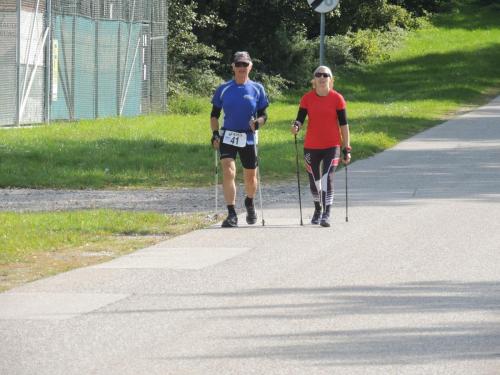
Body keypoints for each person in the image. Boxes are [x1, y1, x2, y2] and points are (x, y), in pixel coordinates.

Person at [210, 51, 269, 228]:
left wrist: (258, 122)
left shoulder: (257, 89)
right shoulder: (224, 88)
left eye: (245, 64)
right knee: (229, 171)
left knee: (250, 178)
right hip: (228, 135)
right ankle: (232, 214)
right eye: (239, 65)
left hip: (248, 138)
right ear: (233, 67)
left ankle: (249, 202)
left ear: (250, 67)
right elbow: (214, 115)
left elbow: (264, 115)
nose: (242, 68)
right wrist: (215, 134)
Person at [291, 65, 351, 227]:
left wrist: (347, 148)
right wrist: (296, 126)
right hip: (311, 146)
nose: (322, 77)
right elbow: (300, 119)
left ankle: (327, 213)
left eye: (326, 75)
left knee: (327, 178)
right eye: (319, 75)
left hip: (332, 145)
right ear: (314, 80)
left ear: (330, 80)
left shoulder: (337, 98)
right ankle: (318, 208)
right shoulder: (307, 98)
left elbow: (344, 125)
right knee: (314, 181)